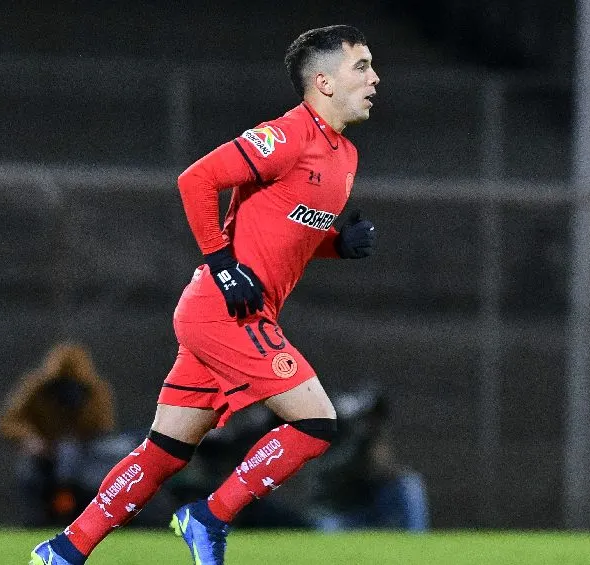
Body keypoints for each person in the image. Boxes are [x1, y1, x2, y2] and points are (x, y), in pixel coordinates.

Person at [31, 24, 379, 565]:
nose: (374, 77)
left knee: (164, 452)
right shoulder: (286, 136)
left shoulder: (344, 156)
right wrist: (221, 264)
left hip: (227, 313)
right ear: (323, 81)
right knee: (316, 422)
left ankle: (64, 549)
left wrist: (336, 244)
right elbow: (196, 179)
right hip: (226, 309)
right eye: (361, 66)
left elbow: (286, 233)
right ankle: (209, 516)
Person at [0, 343, 118, 526]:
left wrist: (77, 432)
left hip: (83, 457)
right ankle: (35, 523)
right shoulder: (36, 388)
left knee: (96, 478)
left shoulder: (95, 392)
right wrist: (31, 439)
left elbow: (103, 425)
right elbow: (10, 421)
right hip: (43, 456)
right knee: (30, 477)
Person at [307, 388, 429, 532]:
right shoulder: (338, 433)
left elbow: (381, 470)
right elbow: (327, 478)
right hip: (336, 512)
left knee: (409, 483)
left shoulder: (372, 438)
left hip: (367, 510)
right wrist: (358, 451)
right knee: (326, 530)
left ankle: (417, 542)